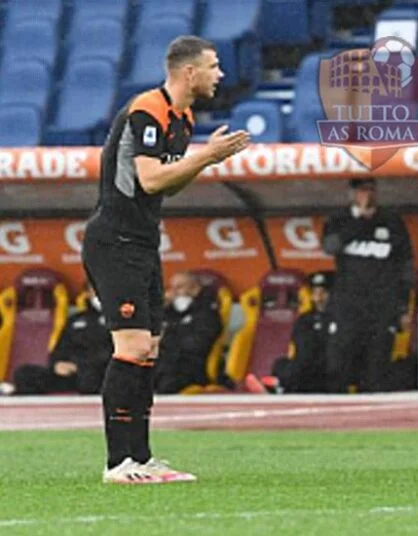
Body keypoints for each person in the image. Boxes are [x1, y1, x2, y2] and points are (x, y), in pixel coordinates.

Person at [81, 35, 249, 485]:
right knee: (131, 348)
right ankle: (118, 463)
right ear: (188, 72)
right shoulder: (147, 110)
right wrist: (206, 156)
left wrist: (202, 161)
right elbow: (151, 179)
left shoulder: (184, 118)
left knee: (149, 350)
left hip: (142, 241)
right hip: (114, 240)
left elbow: (168, 185)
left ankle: (141, 457)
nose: (220, 75)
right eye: (214, 66)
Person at [322, 178, 413, 393]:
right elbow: (330, 246)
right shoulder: (339, 220)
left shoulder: (392, 221)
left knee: (377, 366)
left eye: (370, 190)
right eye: (361, 191)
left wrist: (402, 307)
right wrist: (359, 220)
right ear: (352, 194)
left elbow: (405, 266)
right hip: (347, 306)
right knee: (339, 362)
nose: (367, 195)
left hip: (382, 306)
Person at [11, 286, 112, 396]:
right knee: (24, 374)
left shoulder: (120, 321)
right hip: (70, 374)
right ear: (87, 292)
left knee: (92, 377)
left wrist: (80, 366)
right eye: (93, 289)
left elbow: (115, 352)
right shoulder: (75, 320)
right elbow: (59, 349)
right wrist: (57, 364)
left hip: (99, 375)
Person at [154, 272, 222, 394]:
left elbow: (198, 344)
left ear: (195, 289)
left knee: (166, 382)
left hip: (191, 366)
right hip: (164, 362)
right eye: (171, 288)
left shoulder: (207, 311)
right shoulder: (169, 311)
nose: (174, 292)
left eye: (180, 287)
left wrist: (171, 336)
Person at [271, 271, 333, 394]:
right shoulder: (305, 319)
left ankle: (280, 386)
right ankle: (279, 386)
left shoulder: (339, 317)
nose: (319, 297)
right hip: (304, 366)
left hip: (327, 369)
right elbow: (299, 345)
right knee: (281, 364)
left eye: (323, 292)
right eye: (315, 292)